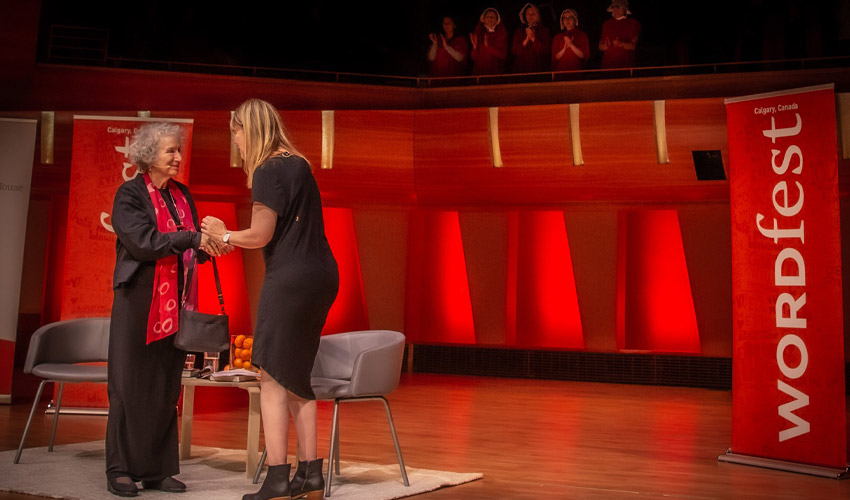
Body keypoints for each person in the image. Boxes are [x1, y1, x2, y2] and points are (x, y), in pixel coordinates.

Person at [202, 98, 339, 500]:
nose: (237, 143)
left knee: (272, 377)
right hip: (322, 275)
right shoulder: (298, 164)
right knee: (296, 376)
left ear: (251, 130)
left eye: (237, 133)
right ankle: (310, 473)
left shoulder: (267, 170)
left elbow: (260, 235)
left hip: (291, 279)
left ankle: (278, 477)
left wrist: (223, 235)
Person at [106, 122, 228, 497]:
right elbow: (145, 243)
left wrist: (210, 247)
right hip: (139, 302)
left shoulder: (181, 194)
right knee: (129, 387)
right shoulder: (129, 195)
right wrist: (193, 238)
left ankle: (157, 470)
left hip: (176, 303)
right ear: (147, 156)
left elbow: (188, 246)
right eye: (170, 151)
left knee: (164, 388)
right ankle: (121, 470)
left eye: (178, 150)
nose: (178, 157)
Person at [598, 0, 641, 69]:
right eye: (614, 7)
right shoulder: (607, 24)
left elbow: (633, 46)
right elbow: (600, 46)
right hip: (607, 66)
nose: (616, 9)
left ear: (625, 9)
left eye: (618, 7)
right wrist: (605, 46)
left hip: (626, 66)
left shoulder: (633, 23)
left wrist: (620, 44)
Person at [510, 3, 551, 73]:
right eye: (528, 14)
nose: (530, 16)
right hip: (520, 70)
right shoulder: (519, 31)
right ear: (525, 16)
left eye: (533, 13)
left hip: (539, 71)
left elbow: (545, 51)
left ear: (537, 15)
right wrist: (526, 40)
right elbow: (515, 51)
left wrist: (533, 38)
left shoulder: (544, 31)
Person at [469, 7, 508, 75]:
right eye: (488, 16)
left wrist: (488, 47)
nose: (490, 18)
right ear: (483, 19)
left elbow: (503, 55)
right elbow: (474, 58)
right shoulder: (478, 33)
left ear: (497, 20)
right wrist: (474, 47)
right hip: (480, 73)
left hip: (495, 73)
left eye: (492, 17)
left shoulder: (501, 33)